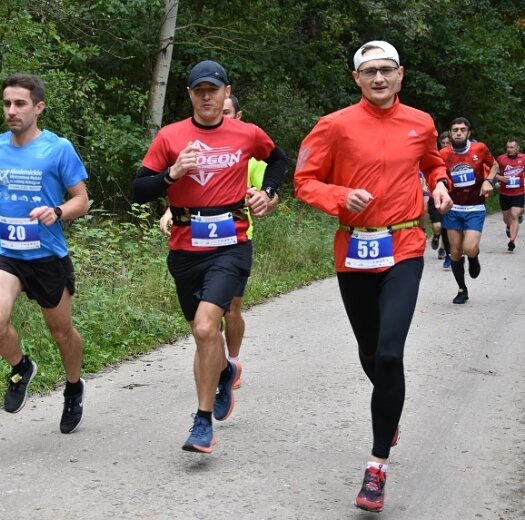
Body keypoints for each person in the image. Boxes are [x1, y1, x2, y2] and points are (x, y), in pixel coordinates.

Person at [293, 41, 452, 512]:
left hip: (404, 244)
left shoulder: (421, 122)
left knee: (388, 350)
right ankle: (390, 406)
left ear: (401, 75)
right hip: (355, 249)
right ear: (356, 78)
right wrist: (340, 196)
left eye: (387, 71)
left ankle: (376, 466)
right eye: (370, 72)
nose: (379, 79)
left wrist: (440, 183)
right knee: (369, 351)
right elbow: (305, 181)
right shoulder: (334, 125)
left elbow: (431, 160)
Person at [133, 60, 286, 454]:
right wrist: (172, 174)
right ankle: (223, 372)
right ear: (189, 95)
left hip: (231, 243)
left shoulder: (246, 133)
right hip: (185, 249)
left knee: (206, 329)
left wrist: (267, 192)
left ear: (226, 93)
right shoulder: (170, 137)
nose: (206, 96)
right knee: (202, 335)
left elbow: (279, 159)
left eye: (213, 89)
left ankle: (202, 424)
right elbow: (138, 189)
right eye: (199, 90)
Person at [0, 73, 91, 434]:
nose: (11, 110)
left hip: (46, 255)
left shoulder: (58, 149)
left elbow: (82, 200)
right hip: (6, 251)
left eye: (20, 104)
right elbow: (0, 183)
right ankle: (21, 366)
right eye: (7, 103)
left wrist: (56, 211)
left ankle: (73, 387)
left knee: (61, 333)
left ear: (38, 107)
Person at [158, 93, 272, 390]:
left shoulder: (249, 153)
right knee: (204, 324)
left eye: (228, 112)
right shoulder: (194, 147)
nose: (221, 116)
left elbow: (270, 192)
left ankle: (232, 360)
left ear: (238, 115)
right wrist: (171, 211)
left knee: (231, 309)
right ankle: (217, 366)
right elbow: (191, 191)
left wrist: (266, 198)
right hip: (194, 243)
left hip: (234, 241)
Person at [440, 117, 498, 303]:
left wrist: (489, 181)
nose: (458, 132)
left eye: (462, 130)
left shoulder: (479, 149)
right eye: (455, 129)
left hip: (475, 206)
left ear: (468, 133)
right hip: (453, 207)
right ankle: (461, 289)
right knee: (455, 252)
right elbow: (436, 173)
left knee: (469, 248)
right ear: (450, 132)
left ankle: (473, 258)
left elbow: (495, 165)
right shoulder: (443, 154)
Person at [493, 138, 525, 251]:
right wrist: (498, 180)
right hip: (505, 193)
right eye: (508, 147)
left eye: (512, 147)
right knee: (507, 218)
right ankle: (508, 226)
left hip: (519, 192)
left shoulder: (523, 158)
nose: (509, 150)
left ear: (517, 148)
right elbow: (493, 173)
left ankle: (512, 240)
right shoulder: (501, 159)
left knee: (514, 215)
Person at [431, 131, 452, 266]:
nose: (445, 145)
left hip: (449, 196)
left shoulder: (456, 157)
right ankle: (436, 236)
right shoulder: (435, 156)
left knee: (445, 225)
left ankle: (444, 251)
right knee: (437, 226)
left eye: (447, 143)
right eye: (442, 143)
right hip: (434, 196)